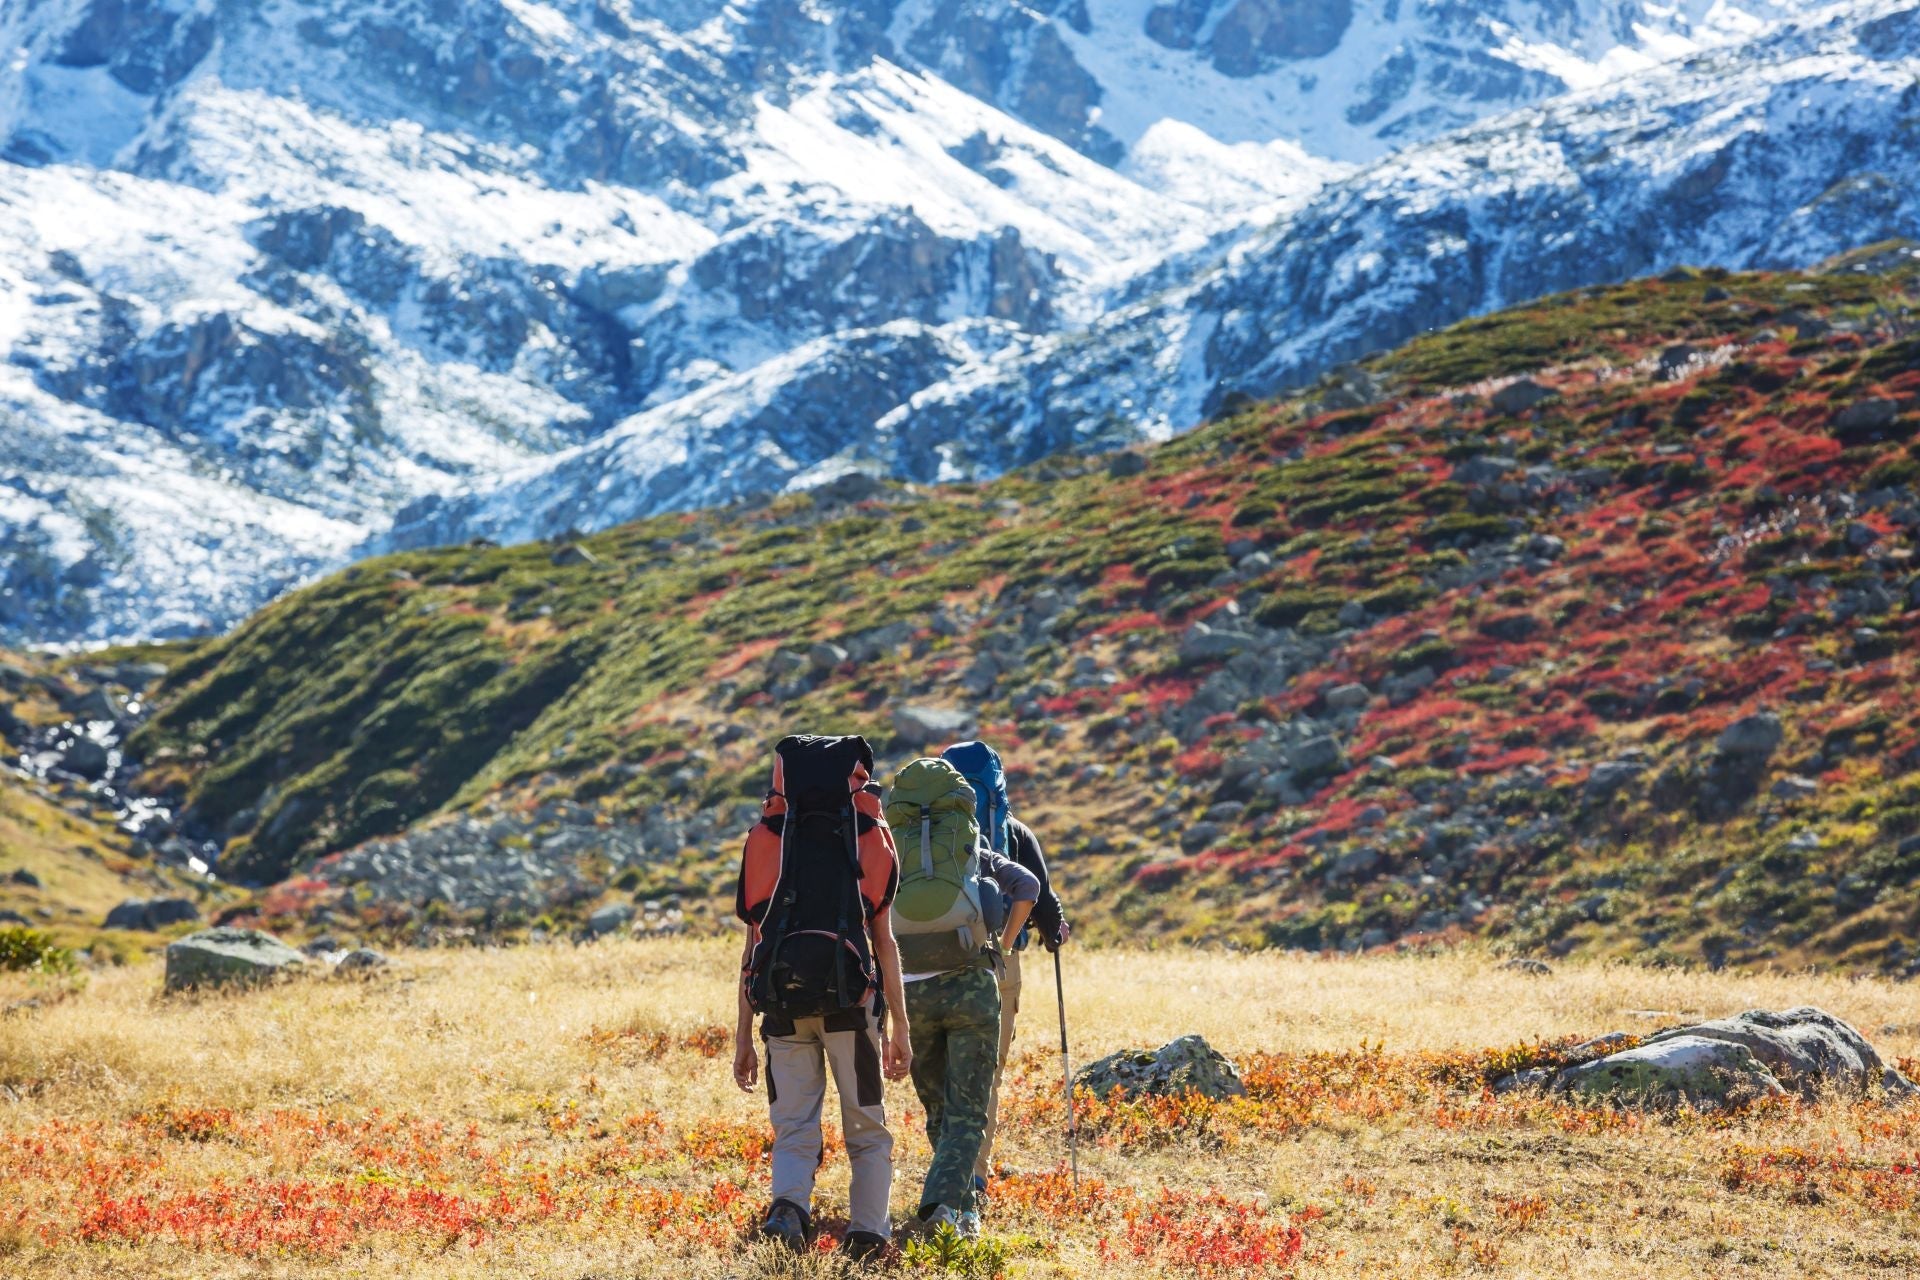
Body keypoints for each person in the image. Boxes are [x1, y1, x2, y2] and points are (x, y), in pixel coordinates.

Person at [732, 735, 912, 1264]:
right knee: (867, 1125)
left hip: (781, 1005)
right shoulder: (870, 837)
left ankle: (788, 1209)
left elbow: (752, 946)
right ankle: (868, 1233)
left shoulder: (764, 838)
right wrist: (899, 1024)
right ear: (854, 776)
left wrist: (743, 1034)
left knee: (793, 1125)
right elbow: (884, 941)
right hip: (850, 1008)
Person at [882, 756, 1039, 1239]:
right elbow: (1028, 885)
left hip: (912, 992)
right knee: (968, 1109)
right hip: (970, 984)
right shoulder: (971, 847)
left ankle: (958, 1210)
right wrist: (1005, 944)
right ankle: (944, 1204)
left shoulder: (891, 849)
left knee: (939, 1110)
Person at [939, 741, 1070, 1193]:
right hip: (997, 959)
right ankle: (972, 1175)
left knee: (940, 1071)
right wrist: (1053, 931)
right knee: (985, 1072)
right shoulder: (1012, 831)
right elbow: (1042, 897)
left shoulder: (925, 834)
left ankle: (943, 1167)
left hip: (928, 961)